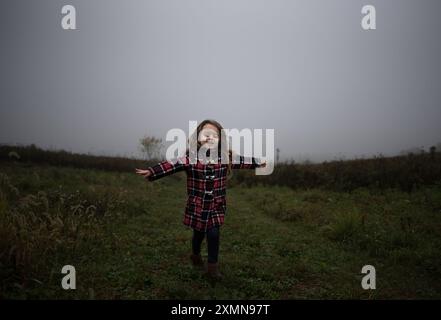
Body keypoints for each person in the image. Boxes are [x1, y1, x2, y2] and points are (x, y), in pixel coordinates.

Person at [135, 119, 266, 280]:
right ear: (198, 137)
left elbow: (243, 160)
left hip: (216, 205)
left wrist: (259, 162)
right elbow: (172, 164)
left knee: (213, 233)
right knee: (198, 234)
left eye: (214, 135)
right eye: (206, 134)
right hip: (197, 206)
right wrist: (152, 171)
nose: (210, 137)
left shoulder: (225, 157)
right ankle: (195, 254)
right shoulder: (190, 158)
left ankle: (212, 268)